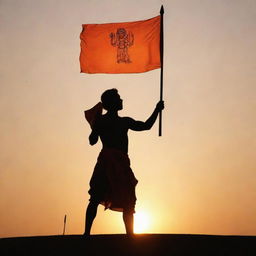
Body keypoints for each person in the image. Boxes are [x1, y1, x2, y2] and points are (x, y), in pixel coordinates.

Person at [83, 89, 164, 236]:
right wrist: (96, 125)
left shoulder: (119, 121)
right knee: (100, 197)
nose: (121, 100)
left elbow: (145, 126)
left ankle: (126, 235)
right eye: (118, 98)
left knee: (119, 199)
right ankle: (89, 233)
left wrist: (157, 110)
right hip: (109, 162)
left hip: (116, 162)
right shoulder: (112, 121)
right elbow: (92, 140)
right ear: (112, 103)